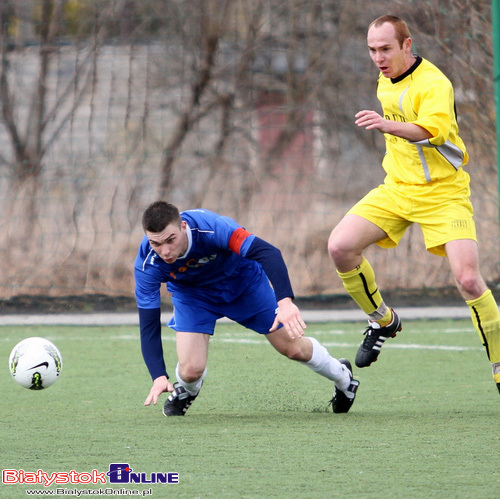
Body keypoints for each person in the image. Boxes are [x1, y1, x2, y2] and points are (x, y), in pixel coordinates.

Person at [328, 15, 500, 395]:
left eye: (385, 49)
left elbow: (428, 130)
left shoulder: (435, 84)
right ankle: (383, 320)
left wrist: (385, 125)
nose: (378, 57)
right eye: (372, 50)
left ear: (407, 44)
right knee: (340, 246)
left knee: (469, 280)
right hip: (398, 189)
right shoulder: (385, 77)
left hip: (444, 193)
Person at [134, 201, 360, 416]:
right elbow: (149, 325)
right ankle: (187, 390)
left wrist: (285, 302)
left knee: (293, 349)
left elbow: (268, 253)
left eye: (170, 240)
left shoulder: (211, 228)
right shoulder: (148, 264)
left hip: (243, 285)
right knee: (190, 370)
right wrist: (158, 376)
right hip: (194, 297)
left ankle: (343, 378)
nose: (164, 251)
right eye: (156, 243)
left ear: (183, 227)